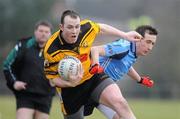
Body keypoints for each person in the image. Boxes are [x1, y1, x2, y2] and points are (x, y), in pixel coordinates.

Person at [43, 10, 142, 119]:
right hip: (70, 91)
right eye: (70, 27)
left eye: (77, 26)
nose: (74, 31)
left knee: (119, 102)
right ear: (61, 27)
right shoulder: (51, 50)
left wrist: (125, 35)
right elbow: (52, 80)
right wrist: (70, 83)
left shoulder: (86, 28)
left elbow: (102, 28)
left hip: (92, 77)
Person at [85, 25, 158, 119]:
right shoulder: (123, 47)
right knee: (121, 105)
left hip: (102, 92)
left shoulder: (133, 52)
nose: (150, 47)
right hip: (88, 88)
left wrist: (140, 79)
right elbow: (95, 50)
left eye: (152, 43)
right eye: (148, 42)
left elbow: (125, 65)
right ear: (137, 39)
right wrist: (95, 65)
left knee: (121, 115)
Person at [3, 20, 55, 119]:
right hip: (26, 94)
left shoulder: (55, 51)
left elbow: (60, 71)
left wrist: (56, 80)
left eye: (46, 32)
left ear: (50, 34)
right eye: (41, 31)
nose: (43, 34)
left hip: (45, 96)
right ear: (35, 32)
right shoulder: (23, 45)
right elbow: (7, 65)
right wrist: (14, 82)